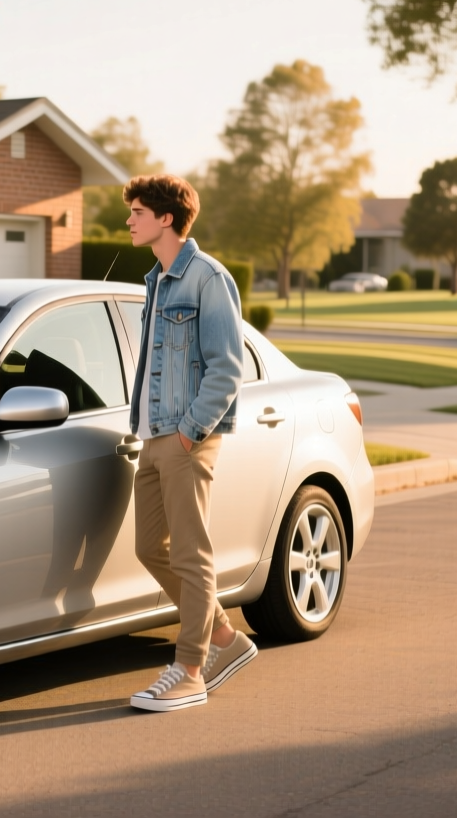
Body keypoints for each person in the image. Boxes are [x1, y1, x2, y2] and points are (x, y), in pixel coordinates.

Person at [122, 174, 257, 713]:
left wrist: (189, 432)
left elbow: (228, 368)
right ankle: (224, 635)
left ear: (166, 219)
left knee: (192, 553)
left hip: (188, 438)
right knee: (149, 547)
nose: (129, 220)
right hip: (154, 436)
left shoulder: (207, 278)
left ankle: (191, 669)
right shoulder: (156, 280)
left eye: (136, 211)